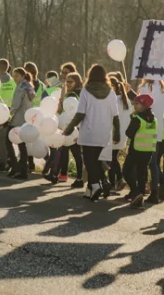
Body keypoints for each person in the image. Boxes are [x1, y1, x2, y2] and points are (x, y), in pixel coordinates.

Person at [62, 64, 120, 201]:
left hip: (89, 131)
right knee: (97, 160)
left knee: (89, 161)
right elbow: (115, 115)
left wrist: (69, 128)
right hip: (104, 132)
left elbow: (80, 113)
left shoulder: (86, 91)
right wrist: (117, 133)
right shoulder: (111, 93)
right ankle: (96, 187)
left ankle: (95, 185)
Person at [47, 71, 85, 187]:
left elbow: (73, 112)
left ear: (77, 82)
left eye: (70, 81)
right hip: (68, 125)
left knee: (75, 153)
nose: (68, 83)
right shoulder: (79, 93)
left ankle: (78, 178)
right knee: (64, 152)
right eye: (66, 81)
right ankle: (57, 174)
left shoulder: (73, 95)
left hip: (72, 127)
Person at [122, 94, 158, 207]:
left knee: (126, 171)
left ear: (144, 105)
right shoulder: (154, 119)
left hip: (136, 149)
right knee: (142, 173)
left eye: (137, 104)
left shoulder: (137, 119)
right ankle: (139, 196)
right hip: (148, 150)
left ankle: (136, 192)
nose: (135, 106)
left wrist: (132, 119)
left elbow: (128, 133)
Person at [5, 66, 36, 179]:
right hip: (25, 118)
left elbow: (15, 105)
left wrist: (8, 117)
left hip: (17, 119)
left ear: (23, 76)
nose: (14, 78)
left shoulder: (20, 87)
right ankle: (22, 169)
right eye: (13, 76)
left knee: (8, 141)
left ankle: (15, 166)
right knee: (22, 145)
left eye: (17, 76)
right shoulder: (29, 86)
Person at [108, 72, 133, 191]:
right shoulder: (126, 101)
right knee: (112, 157)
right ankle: (116, 181)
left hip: (114, 134)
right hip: (123, 135)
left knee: (110, 158)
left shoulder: (115, 100)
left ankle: (116, 181)